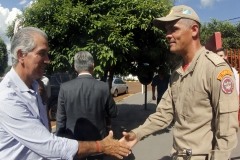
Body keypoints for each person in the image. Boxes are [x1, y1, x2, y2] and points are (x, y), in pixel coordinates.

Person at [120, 5, 239, 160]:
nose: (167, 35)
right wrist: (137, 134)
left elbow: (226, 130)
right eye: (166, 30)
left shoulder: (215, 69)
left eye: (173, 29)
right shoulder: (177, 72)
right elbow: (164, 114)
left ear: (194, 30)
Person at [0, 27, 130, 160]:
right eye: (42, 53)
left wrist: (44, 99)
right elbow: (49, 146)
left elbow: (55, 125)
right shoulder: (7, 97)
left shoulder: (36, 87)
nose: (48, 60)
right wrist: (101, 146)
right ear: (21, 55)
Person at [56, 51, 118, 160]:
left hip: (74, 146)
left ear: (75, 67)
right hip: (98, 143)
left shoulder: (65, 88)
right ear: (93, 66)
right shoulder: (103, 87)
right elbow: (113, 112)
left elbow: (60, 120)